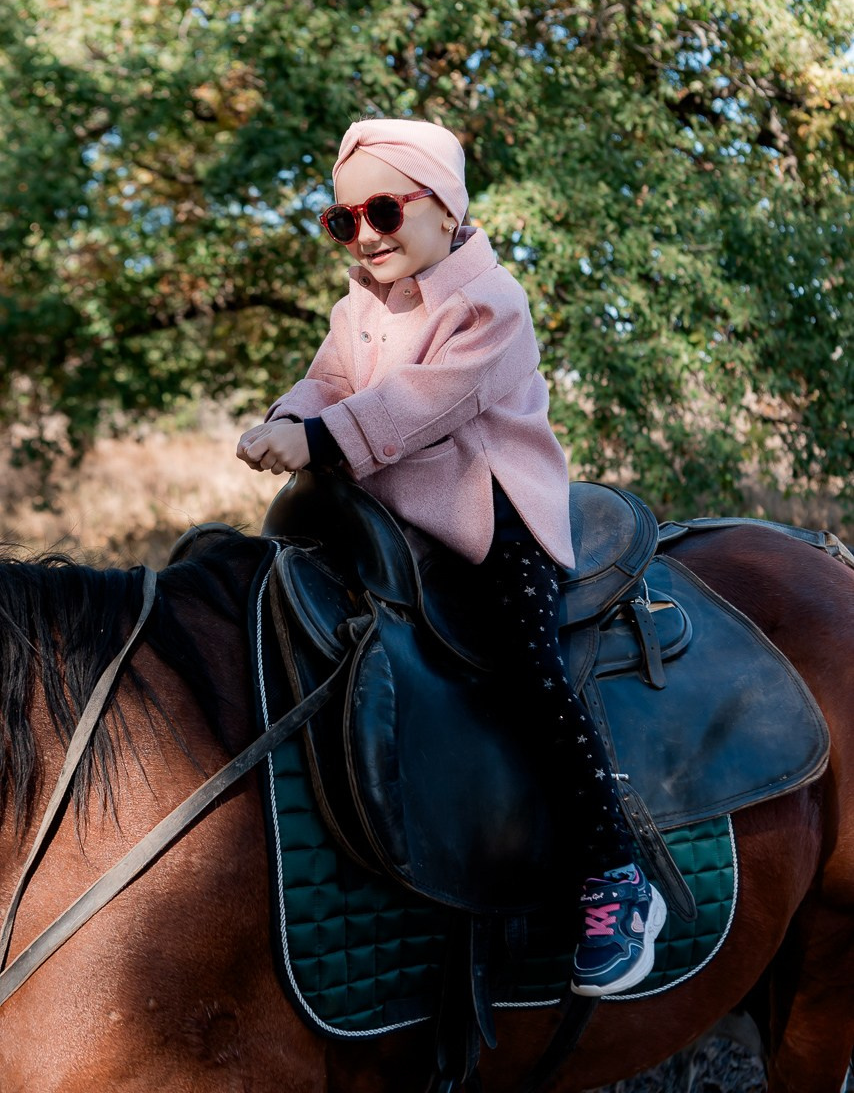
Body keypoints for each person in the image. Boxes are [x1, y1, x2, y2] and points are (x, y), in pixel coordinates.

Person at [236, 117, 666, 996]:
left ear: (442, 209)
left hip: (485, 514)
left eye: (385, 211)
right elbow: (331, 378)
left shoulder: (490, 302)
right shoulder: (359, 305)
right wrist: (288, 417)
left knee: (526, 670)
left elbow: (417, 405)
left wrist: (317, 440)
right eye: (343, 220)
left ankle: (615, 873)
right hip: (389, 518)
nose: (364, 236)